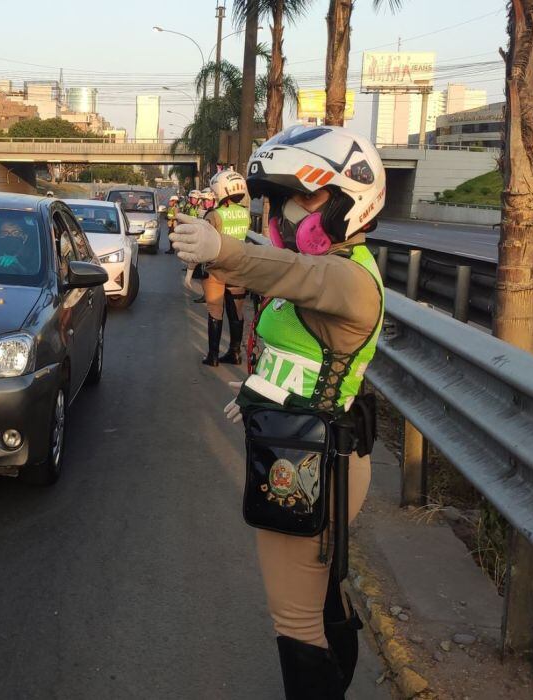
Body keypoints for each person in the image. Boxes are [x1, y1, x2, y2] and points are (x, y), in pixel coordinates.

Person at [171, 124, 386, 698]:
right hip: (303, 449)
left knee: (296, 621)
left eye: (306, 197)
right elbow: (300, 350)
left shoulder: (347, 279)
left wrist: (224, 252)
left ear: (348, 201)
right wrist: (260, 395)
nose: (288, 212)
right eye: (283, 199)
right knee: (322, 599)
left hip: (314, 467)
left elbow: (293, 273)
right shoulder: (339, 265)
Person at [196, 169, 251, 366]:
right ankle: (235, 353)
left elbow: (204, 241)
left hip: (216, 268)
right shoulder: (245, 214)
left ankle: (213, 356)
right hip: (239, 268)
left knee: (215, 310)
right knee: (236, 311)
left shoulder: (215, 215)